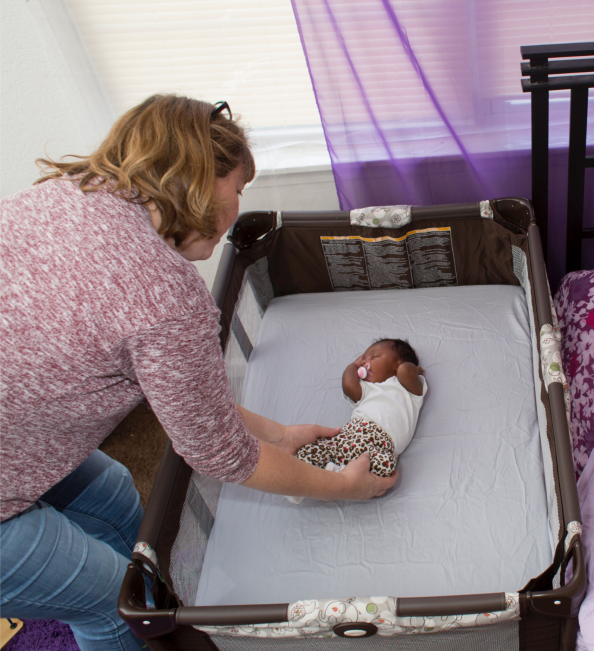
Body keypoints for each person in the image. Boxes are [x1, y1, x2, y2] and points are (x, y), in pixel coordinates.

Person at [0, 95, 396, 651]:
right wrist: (342, 488)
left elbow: (188, 405)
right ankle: (145, 620)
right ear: (196, 182)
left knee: (113, 491)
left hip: (14, 435)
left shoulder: (64, 195)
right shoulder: (164, 295)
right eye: (238, 188)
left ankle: (161, 596)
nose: (238, 205)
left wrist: (281, 435)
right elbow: (220, 455)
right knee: (120, 611)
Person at [295, 338, 426, 478]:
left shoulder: (409, 390)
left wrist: (415, 369)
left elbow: (405, 371)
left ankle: (336, 475)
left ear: (398, 363)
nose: (364, 362)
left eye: (374, 356)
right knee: (312, 449)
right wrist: (353, 365)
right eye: (362, 359)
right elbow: (349, 385)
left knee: (384, 467)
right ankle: (300, 477)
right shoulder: (367, 388)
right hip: (353, 433)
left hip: (381, 447)